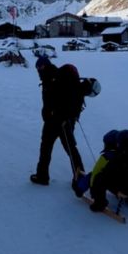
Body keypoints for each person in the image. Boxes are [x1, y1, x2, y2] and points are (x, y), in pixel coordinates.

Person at [30, 57, 86, 186]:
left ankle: (42, 176)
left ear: (43, 66)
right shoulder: (54, 76)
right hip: (64, 120)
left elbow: (58, 100)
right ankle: (80, 178)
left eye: (39, 68)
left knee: (48, 147)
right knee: (69, 148)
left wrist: (58, 116)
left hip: (57, 121)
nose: (38, 71)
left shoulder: (53, 78)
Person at [80, 129, 128, 212]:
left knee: (99, 177)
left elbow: (107, 172)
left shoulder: (119, 156)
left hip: (126, 188)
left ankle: (100, 203)